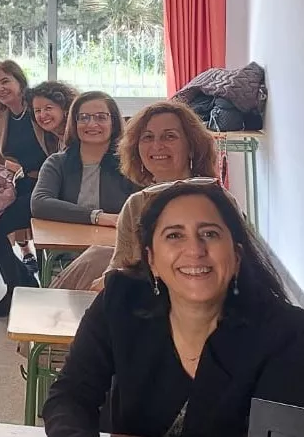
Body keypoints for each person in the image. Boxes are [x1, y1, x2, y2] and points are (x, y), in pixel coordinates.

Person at [42, 182, 304, 436]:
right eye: (174, 235)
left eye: (210, 233)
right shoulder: (121, 300)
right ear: (152, 259)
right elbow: (70, 397)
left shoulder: (286, 333)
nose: (194, 249)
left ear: (236, 257)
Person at [85, 100, 221, 291]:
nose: (157, 146)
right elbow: (119, 267)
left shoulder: (217, 199)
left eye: (169, 137)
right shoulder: (136, 204)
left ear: (192, 147)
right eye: (147, 137)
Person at [0, 62, 64, 318]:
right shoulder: (0, 119)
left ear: (20, 81)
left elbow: (63, 143)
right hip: (24, 183)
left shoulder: (39, 110)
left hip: (52, 186)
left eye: (5, 81)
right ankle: (20, 284)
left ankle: (25, 286)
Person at [31, 91, 140, 227]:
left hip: (116, 244)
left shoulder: (131, 162)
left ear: (114, 123)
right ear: (74, 123)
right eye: (84, 117)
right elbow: (39, 203)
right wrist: (97, 217)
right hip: (65, 242)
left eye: (101, 117)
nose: (92, 124)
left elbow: (142, 209)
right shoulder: (57, 162)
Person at [28, 81, 79, 157]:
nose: (42, 115)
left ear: (65, 108)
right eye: (37, 110)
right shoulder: (55, 140)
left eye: (48, 108)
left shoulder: (78, 138)